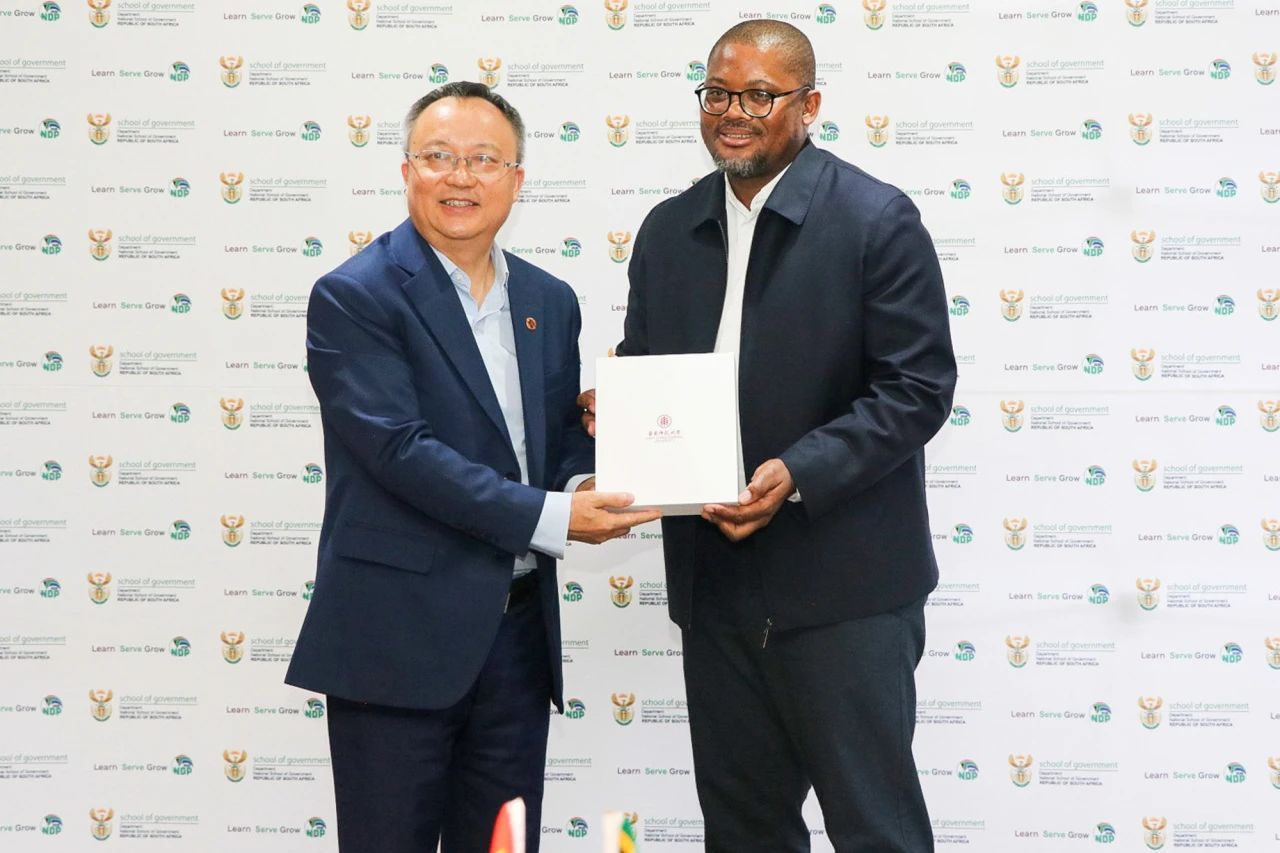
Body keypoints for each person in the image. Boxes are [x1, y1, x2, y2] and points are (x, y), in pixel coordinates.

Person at [579, 21, 956, 852]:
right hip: (715, 588)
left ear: (809, 106)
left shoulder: (876, 219)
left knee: (877, 828)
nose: (733, 113)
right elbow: (649, 368)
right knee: (743, 830)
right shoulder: (668, 229)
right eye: (718, 93)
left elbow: (918, 388)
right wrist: (617, 411)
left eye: (759, 95)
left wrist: (800, 469)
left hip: (846, 590)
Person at [285, 81, 659, 853]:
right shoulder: (355, 297)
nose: (461, 177)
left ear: (517, 181)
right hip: (396, 639)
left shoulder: (550, 299)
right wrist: (554, 517)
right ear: (407, 171)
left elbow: (550, 441)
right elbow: (400, 451)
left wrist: (588, 476)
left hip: (516, 640)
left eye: (485, 159)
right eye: (439, 157)